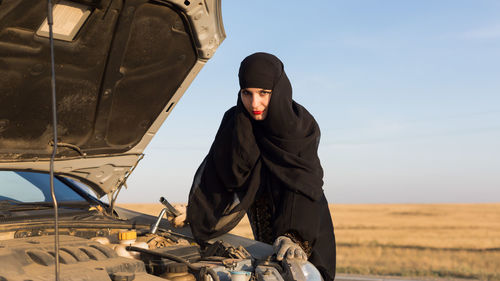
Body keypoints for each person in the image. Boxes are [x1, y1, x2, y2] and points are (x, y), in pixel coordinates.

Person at [186, 52, 336, 281]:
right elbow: (218, 174)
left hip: (305, 233)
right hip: (265, 237)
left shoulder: (300, 127)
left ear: (279, 90)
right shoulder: (235, 123)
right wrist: (197, 210)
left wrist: (292, 235)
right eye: (247, 93)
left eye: (264, 93)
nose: (254, 103)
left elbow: (304, 185)